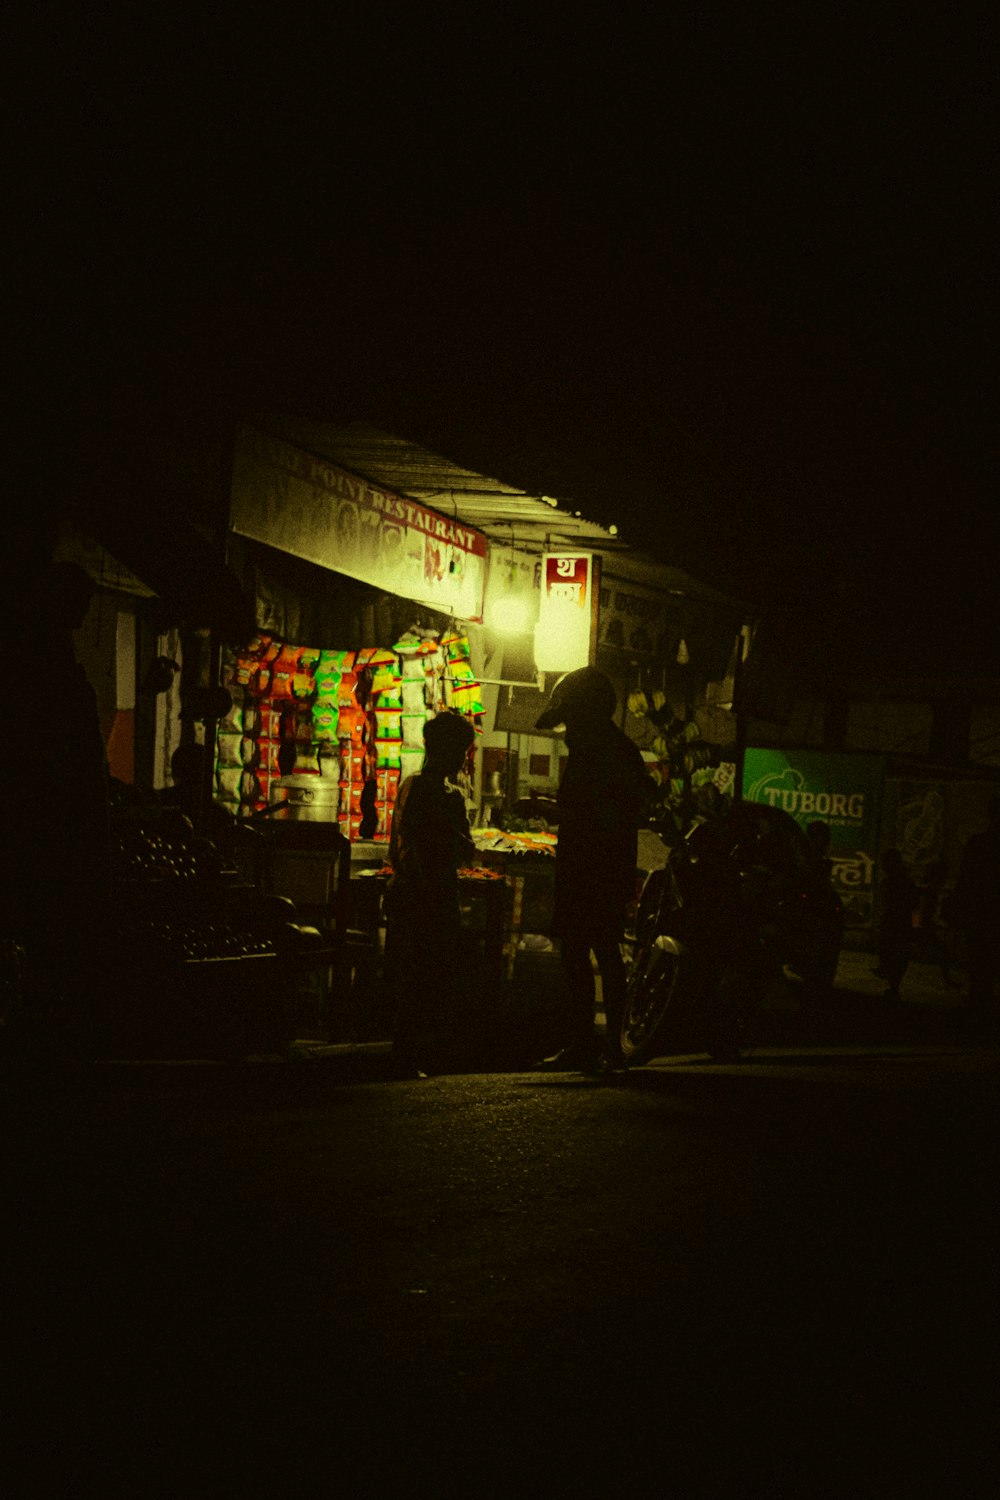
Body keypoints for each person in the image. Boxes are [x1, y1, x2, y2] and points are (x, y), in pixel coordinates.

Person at [534, 667, 655, 1075]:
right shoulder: (607, 749)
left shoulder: (608, 751)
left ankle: (607, 1047)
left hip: (596, 871)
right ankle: (586, 1044)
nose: (566, 731)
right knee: (580, 953)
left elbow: (610, 810)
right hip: (591, 869)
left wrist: (549, 810)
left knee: (600, 952)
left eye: (572, 719)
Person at [384, 710, 476, 1077]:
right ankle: (412, 1055)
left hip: (414, 895)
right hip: (428, 899)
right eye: (461, 751)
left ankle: (409, 1053)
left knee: (416, 979)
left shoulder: (414, 786)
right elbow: (455, 849)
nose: (463, 759)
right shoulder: (436, 792)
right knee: (424, 978)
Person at [951, 799, 1000, 1020]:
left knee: (979, 961)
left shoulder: (978, 844)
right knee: (984, 960)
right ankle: (982, 1002)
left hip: (980, 913)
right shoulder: (979, 844)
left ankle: (979, 1001)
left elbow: (965, 879)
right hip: (986, 912)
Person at [875, 848, 918, 999]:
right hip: (898, 922)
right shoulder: (901, 881)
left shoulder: (894, 882)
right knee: (895, 952)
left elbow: (914, 906)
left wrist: (915, 927)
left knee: (893, 951)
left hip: (896, 922)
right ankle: (893, 983)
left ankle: (892, 982)